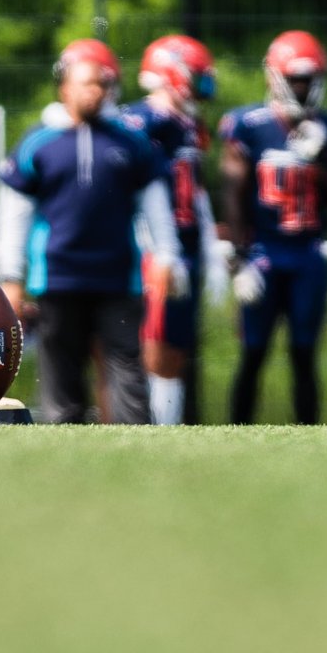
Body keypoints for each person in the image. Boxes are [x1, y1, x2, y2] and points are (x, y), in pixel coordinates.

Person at [0, 41, 181, 425]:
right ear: (64, 87)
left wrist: (166, 257)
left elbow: (157, 208)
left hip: (119, 278)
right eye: (84, 83)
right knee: (63, 387)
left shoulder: (133, 142)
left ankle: (140, 457)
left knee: (128, 375)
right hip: (57, 277)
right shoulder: (38, 142)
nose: (93, 91)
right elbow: (14, 217)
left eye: (100, 83)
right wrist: (11, 278)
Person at [220, 31, 327, 424]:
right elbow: (232, 190)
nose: (303, 87)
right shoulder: (249, 124)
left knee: (304, 351)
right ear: (275, 77)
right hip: (263, 251)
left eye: (308, 79)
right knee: (254, 350)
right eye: (295, 78)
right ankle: (236, 433)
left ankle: (308, 432)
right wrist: (239, 256)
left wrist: (322, 159)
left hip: (308, 253)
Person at [128, 35, 218, 425]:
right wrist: (156, 248)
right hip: (153, 245)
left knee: (177, 341)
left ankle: (167, 426)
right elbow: (133, 192)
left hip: (186, 242)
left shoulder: (188, 125)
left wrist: (212, 250)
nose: (203, 88)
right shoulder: (141, 121)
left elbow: (195, 190)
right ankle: (148, 426)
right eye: (198, 78)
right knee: (154, 338)